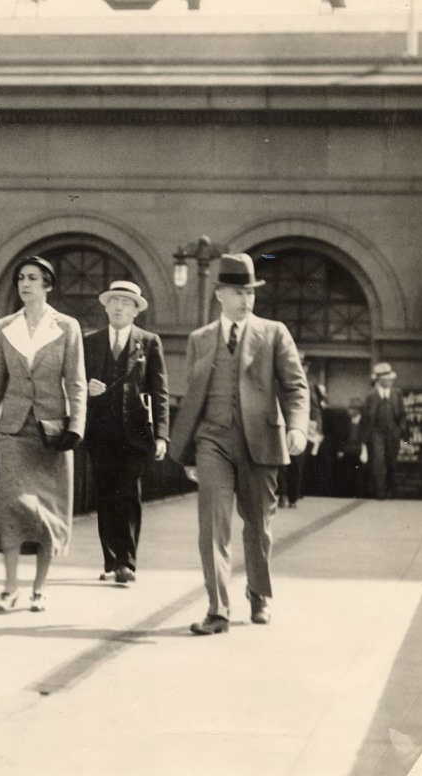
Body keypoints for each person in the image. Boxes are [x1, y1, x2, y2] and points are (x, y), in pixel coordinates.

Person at [170, 253, 309, 635]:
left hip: (260, 440)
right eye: (237, 291)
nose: (246, 299)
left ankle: (258, 594)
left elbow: (296, 386)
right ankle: (218, 610)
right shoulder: (199, 340)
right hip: (211, 440)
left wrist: (297, 427)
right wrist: (187, 452)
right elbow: (193, 396)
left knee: (258, 526)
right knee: (212, 526)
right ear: (219, 295)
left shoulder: (274, 332)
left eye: (250, 291)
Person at [0, 257, 87, 614]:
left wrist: (76, 426)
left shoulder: (67, 326)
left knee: (49, 509)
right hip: (13, 429)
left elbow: (75, 382)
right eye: (21, 278)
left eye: (33, 279)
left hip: (52, 433)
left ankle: (39, 589)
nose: (25, 284)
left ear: (48, 284)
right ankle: (10, 587)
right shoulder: (5, 326)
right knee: (11, 505)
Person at [83, 281, 169, 585]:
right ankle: (110, 560)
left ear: (135, 311)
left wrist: (161, 435)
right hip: (100, 433)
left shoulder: (148, 341)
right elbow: (75, 384)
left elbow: (160, 391)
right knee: (105, 496)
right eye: (115, 301)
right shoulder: (90, 342)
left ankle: (127, 562)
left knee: (129, 494)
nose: (119, 307)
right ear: (106, 306)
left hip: (135, 434)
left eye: (126, 302)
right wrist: (88, 390)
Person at [280, 354, 326, 508]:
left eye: (303, 365)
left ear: (306, 368)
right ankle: (282, 496)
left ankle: (293, 497)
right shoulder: (280, 381)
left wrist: (317, 426)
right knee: (281, 463)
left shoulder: (311, 386)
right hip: (282, 426)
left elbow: (316, 407)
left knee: (297, 463)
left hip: (302, 427)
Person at [359, 362, 407, 500]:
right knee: (378, 462)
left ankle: (390, 491)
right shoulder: (371, 396)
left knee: (391, 462)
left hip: (393, 432)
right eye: (388, 379)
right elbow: (366, 419)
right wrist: (363, 441)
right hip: (376, 433)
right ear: (380, 380)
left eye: (391, 379)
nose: (391, 381)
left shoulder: (397, 393)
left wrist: (406, 438)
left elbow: (402, 416)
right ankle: (380, 493)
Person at [336, 397, 369, 497]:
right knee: (346, 475)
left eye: (351, 409)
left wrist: (364, 450)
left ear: (358, 410)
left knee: (359, 475)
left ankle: (359, 494)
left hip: (360, 452)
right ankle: (347, 494)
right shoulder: (345, 421)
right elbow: (341, 438)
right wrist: (340, 450)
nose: (349, 411)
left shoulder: (365, 423)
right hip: (347, 452)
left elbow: (367, 439)